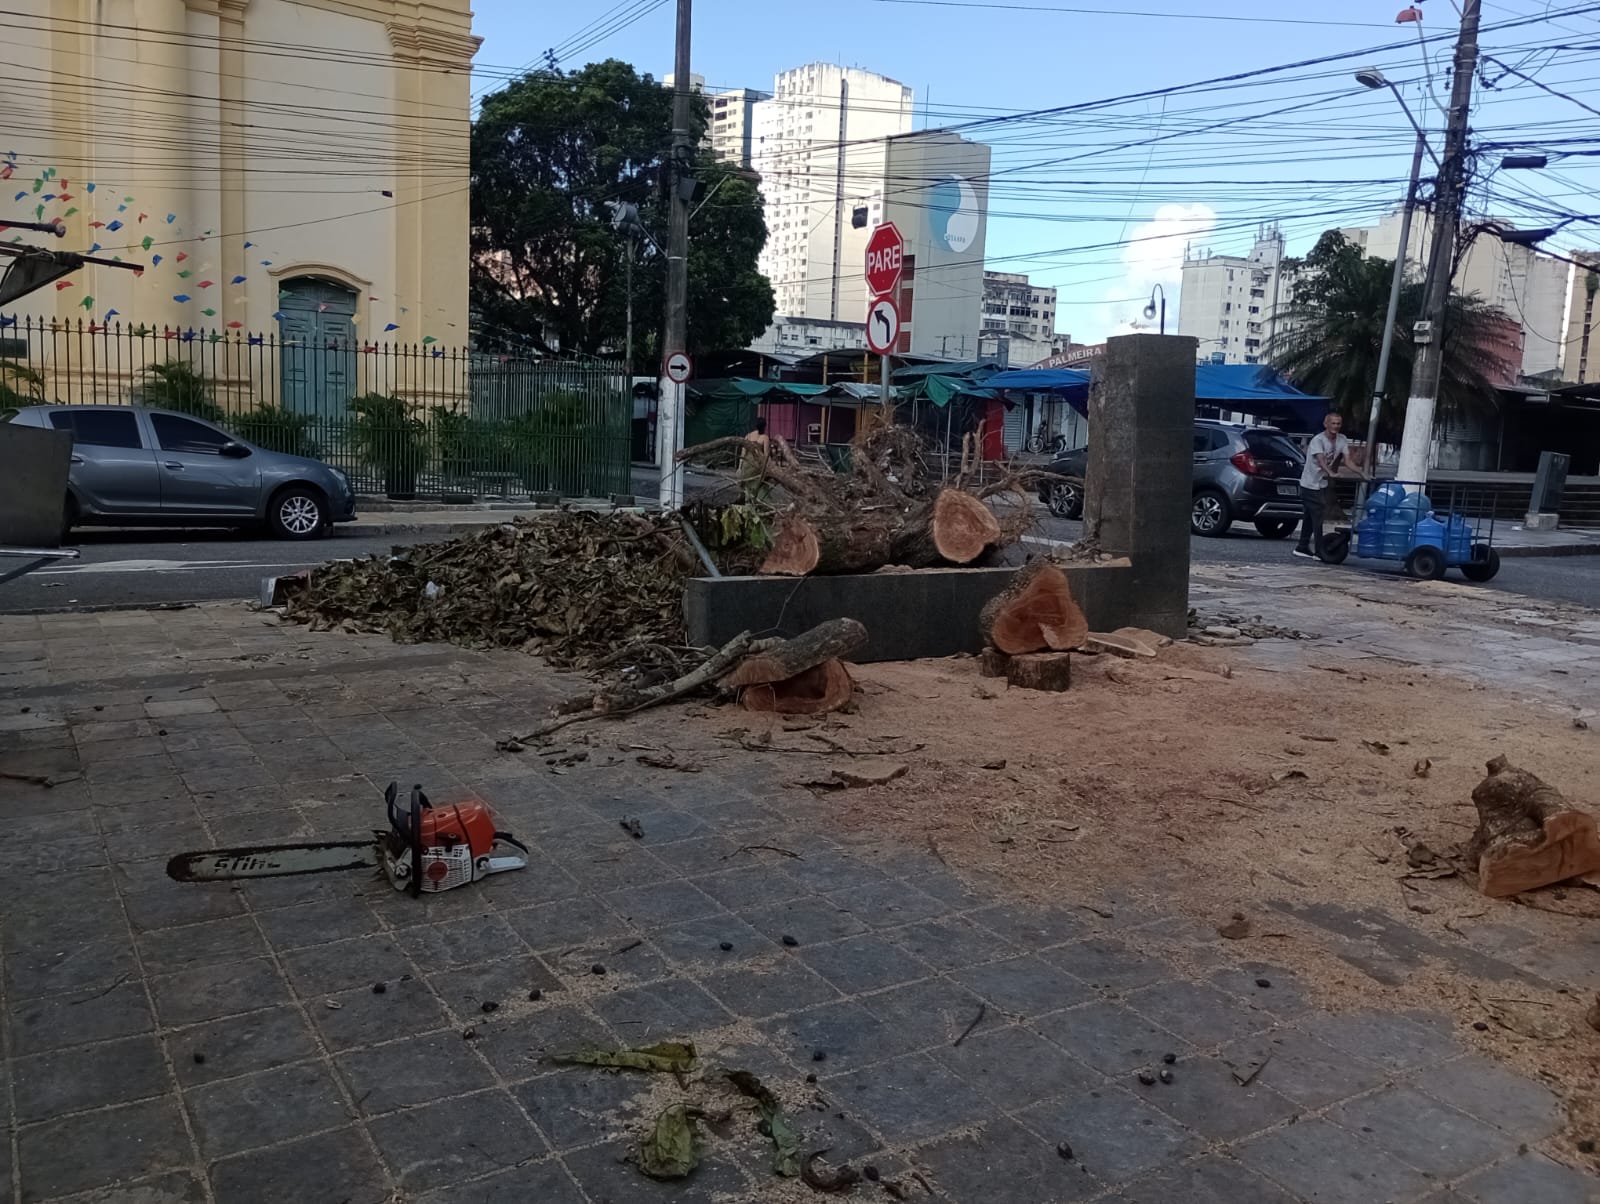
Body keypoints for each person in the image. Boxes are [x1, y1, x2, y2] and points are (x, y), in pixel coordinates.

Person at [1294, 411, 1353, 560]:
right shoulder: (1318, 440)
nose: (1336, 426)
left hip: (1321, 483)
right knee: (1318, 514)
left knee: (1309, 515)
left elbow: (1348, 460)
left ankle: (1302, 546)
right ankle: (1320, 551)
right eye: (1333, 423)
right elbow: (1321, 460)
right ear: (1326, 424)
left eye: (1338, 423)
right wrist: (1330, 473)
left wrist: (1362, 473)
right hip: (1309, 483)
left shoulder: (1342, 439)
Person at [739, 416, 770, 498]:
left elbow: (743, 453)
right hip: (757, 465)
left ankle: (745, 501)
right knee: (759, 485)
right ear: (764, 426)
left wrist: (740, 467)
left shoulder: (748, 436)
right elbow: (766, 455)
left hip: (746, 464)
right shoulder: (765, 438)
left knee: (746, 486)